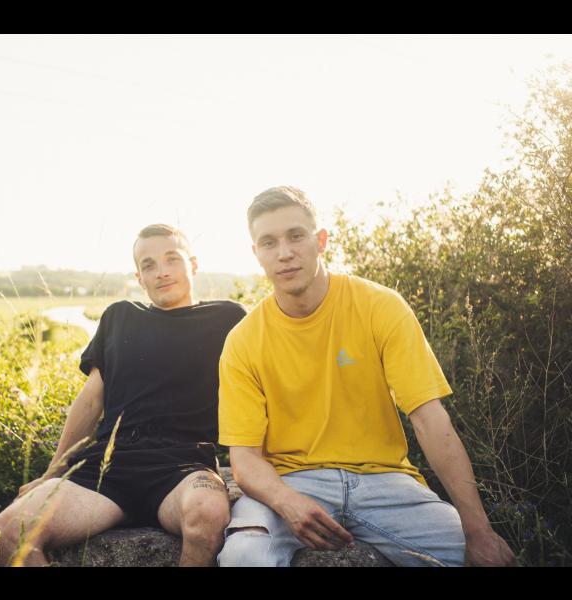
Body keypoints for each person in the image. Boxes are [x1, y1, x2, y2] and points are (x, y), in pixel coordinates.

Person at [216, 186, 516, 567]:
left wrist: (478, 530)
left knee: (482, 557)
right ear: (256, 253)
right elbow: (244, 459)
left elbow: (430, 420)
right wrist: (287, 502)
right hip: (291, 481)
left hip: (385, 483)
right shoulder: (243, 341)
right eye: (269, 242)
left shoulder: (380, 306)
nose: (284, 252)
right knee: (242, 555)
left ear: (320, 240)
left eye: (296, 236)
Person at [0, 224, 246, 566]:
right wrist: (53, 472)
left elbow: (258, 390)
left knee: (209, 513)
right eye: (149, 265)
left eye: (172, 259)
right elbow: (90, 401)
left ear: (193, 264)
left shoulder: (227, 318)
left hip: (183, 465)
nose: (161, 271)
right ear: (139, 277)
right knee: (6, 533)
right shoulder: (120, 316)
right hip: (106, 468)